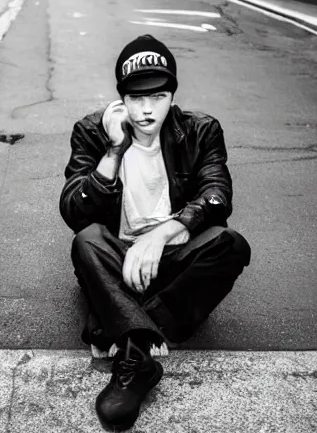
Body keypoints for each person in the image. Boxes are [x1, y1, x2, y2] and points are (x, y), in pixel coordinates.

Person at [59, 34, 251, 431]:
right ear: (121, 99)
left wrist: (161, 234)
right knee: (87, 241)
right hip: (117, 256)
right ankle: (142, 348)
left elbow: (218, 195)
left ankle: (127, 332)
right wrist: (113, 152)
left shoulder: (200, 130)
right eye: (136, 98)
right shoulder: (92, 132)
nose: (147, 111)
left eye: (158, 97)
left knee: (230, 245)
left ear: (172, 96)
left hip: (170, 257)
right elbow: (74, 213)